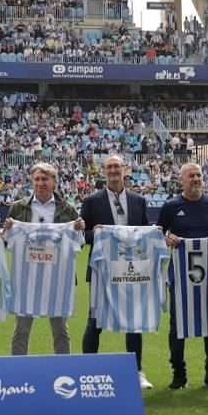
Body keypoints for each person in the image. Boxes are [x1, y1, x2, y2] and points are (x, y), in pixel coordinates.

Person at [80, 154, 153, 389]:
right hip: (102, 269)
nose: (113, 171)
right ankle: (87, 370)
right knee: (95, 322)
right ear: (103, 172)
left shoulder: (138, 200)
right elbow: (82, 236)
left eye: (117, 167)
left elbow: (145, 233)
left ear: (125, 169)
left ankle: (136, 371)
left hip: (131, 270)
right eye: (109, 167)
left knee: (134, 322)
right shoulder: (92, 201)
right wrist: (97, 232)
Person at [158, 162, 208, 389]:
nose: (196, 179)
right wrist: (166, 239)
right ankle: (179, 374)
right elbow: (158, 234)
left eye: (198, 175)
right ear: (182, 180)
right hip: (180, 277)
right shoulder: (170, 206)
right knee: (178, 324)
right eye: (191, 176)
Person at [3, 162, 85, 355]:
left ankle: (62, 368)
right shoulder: (17, 208)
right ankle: (18, 369)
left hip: (57, 277)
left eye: (45, 179)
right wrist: (7, 229)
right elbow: (8, 242)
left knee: (60, 330)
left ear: (54, 182)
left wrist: (78, 228)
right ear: (32, 182)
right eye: (37, 179)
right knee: (21, 330)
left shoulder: (67, 208)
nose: (41, 183)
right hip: (27, 277)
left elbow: (77, 243)